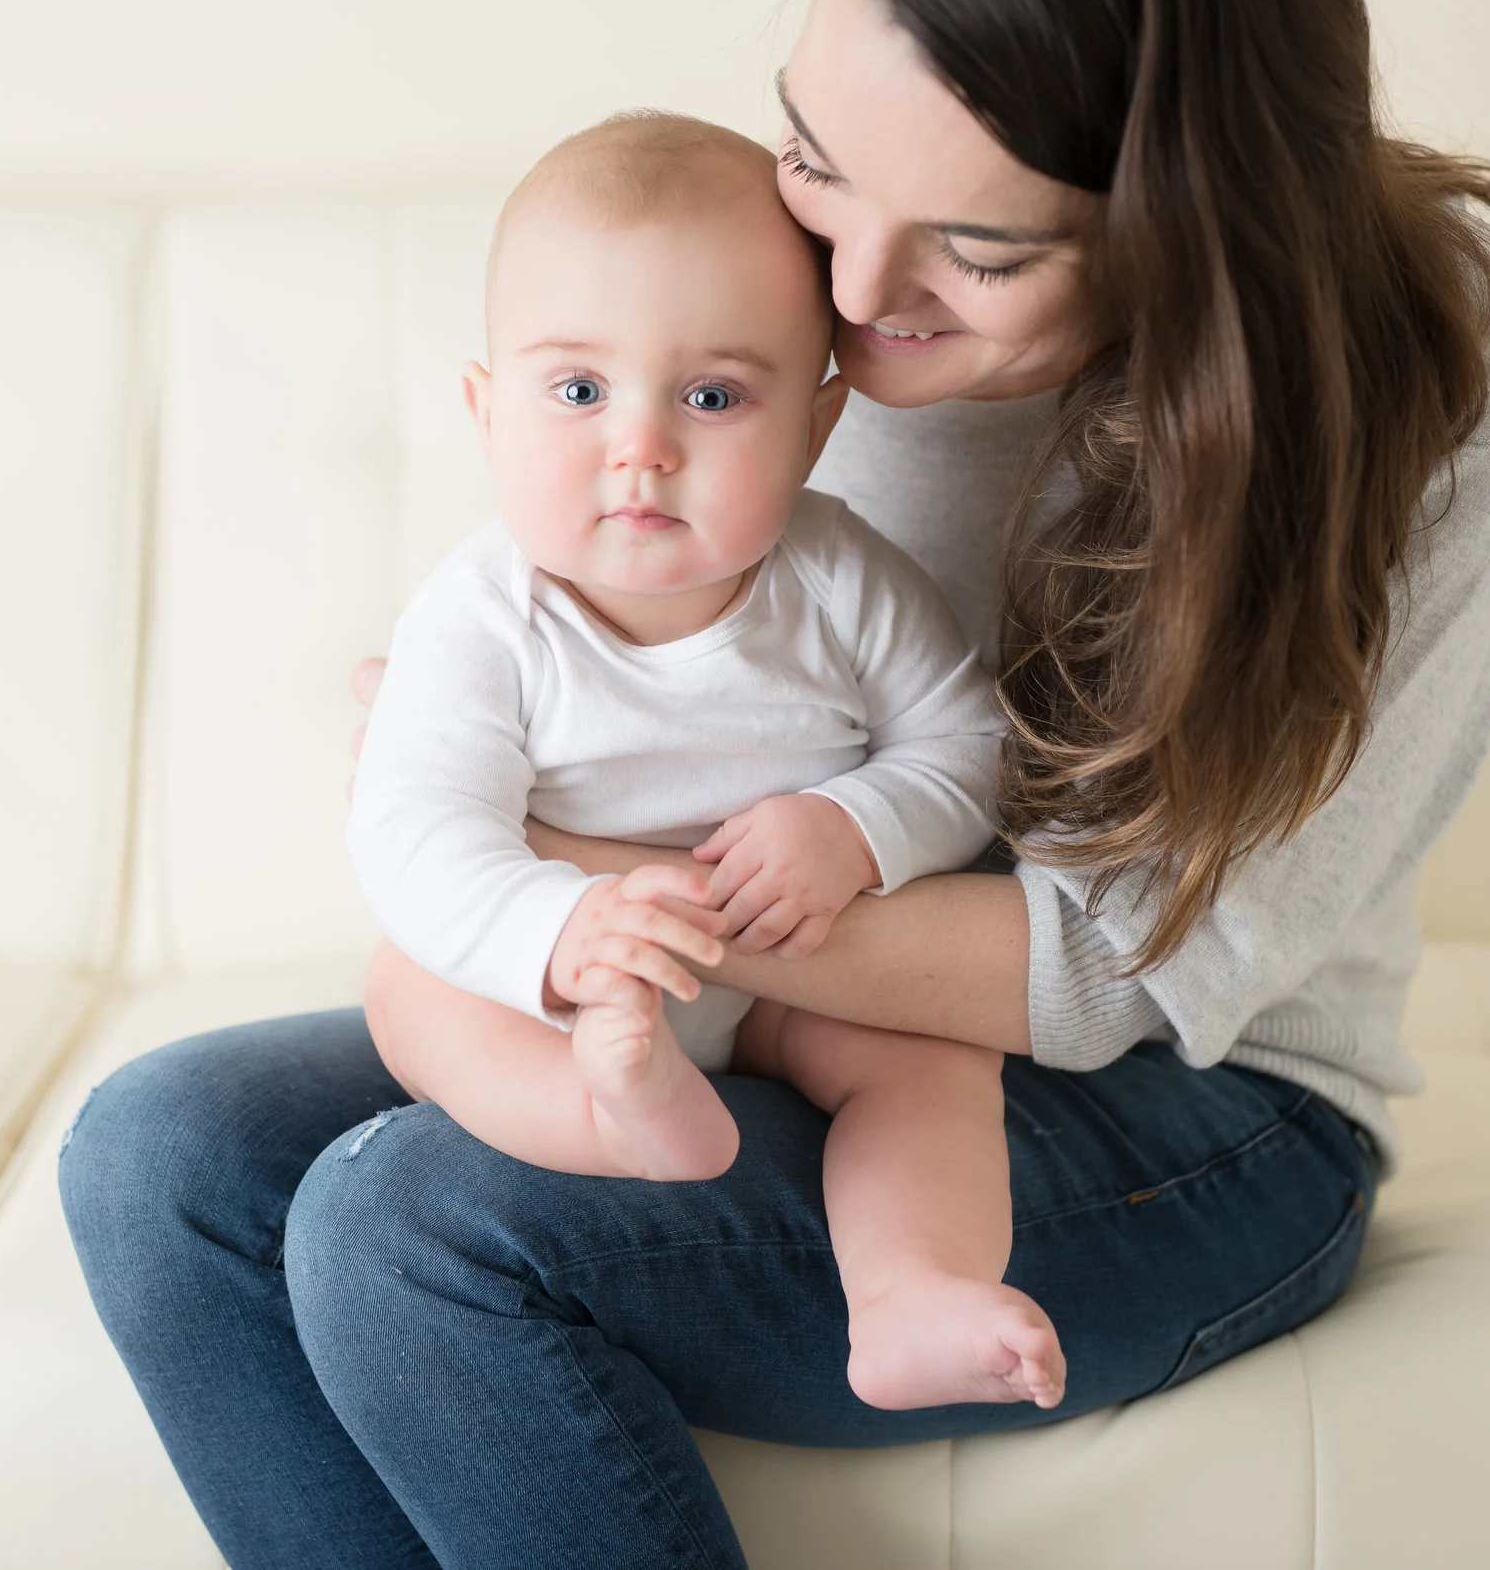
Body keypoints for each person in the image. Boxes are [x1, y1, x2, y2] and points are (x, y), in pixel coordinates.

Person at [59, 0, 1490, 1564]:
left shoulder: (1447, 360)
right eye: (818, 157)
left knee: (410, 1227)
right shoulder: (765, 281)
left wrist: (573, 868)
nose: (855, 299)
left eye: (983, 252)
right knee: (163, 1159)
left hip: (1195, 1100)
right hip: (744, 988)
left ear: (1191, 229)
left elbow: (1113, 971)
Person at [348, 110, 1059, 1411]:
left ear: (817, 427)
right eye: (576, 391)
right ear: (486, 411)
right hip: (572, 995)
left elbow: (966, 750)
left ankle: (913, 1290)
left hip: (809, 981)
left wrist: (856, 828)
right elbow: (413, 828)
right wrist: (560, 933)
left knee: (933, 1069)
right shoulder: (480, 618)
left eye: (715, 396)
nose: (642, 446)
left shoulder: (842, 579)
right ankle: (616, 1118)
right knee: (412, 990)